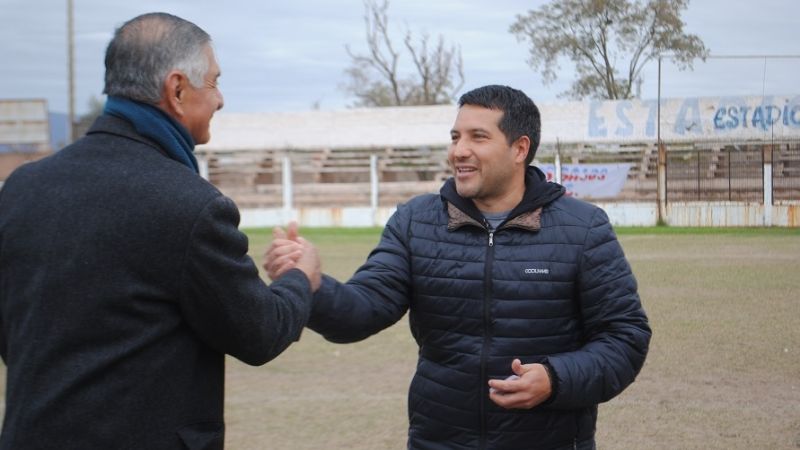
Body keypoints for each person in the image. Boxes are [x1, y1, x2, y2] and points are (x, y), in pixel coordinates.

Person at [267, 85, 651, 449]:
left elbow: (624, 337)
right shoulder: (415, 222)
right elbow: (364, 308)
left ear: (520, 149)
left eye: (477, 137)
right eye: (455, 137)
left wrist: (555, 379)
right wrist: (312, 285)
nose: (458, 151)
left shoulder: (583, 228)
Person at [0, 13, 320, 450]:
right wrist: (300, 278)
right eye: (214, 81)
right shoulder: (189, 205)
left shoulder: (22, 187)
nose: (221, 98)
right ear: (177, 89)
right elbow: (259, 333)